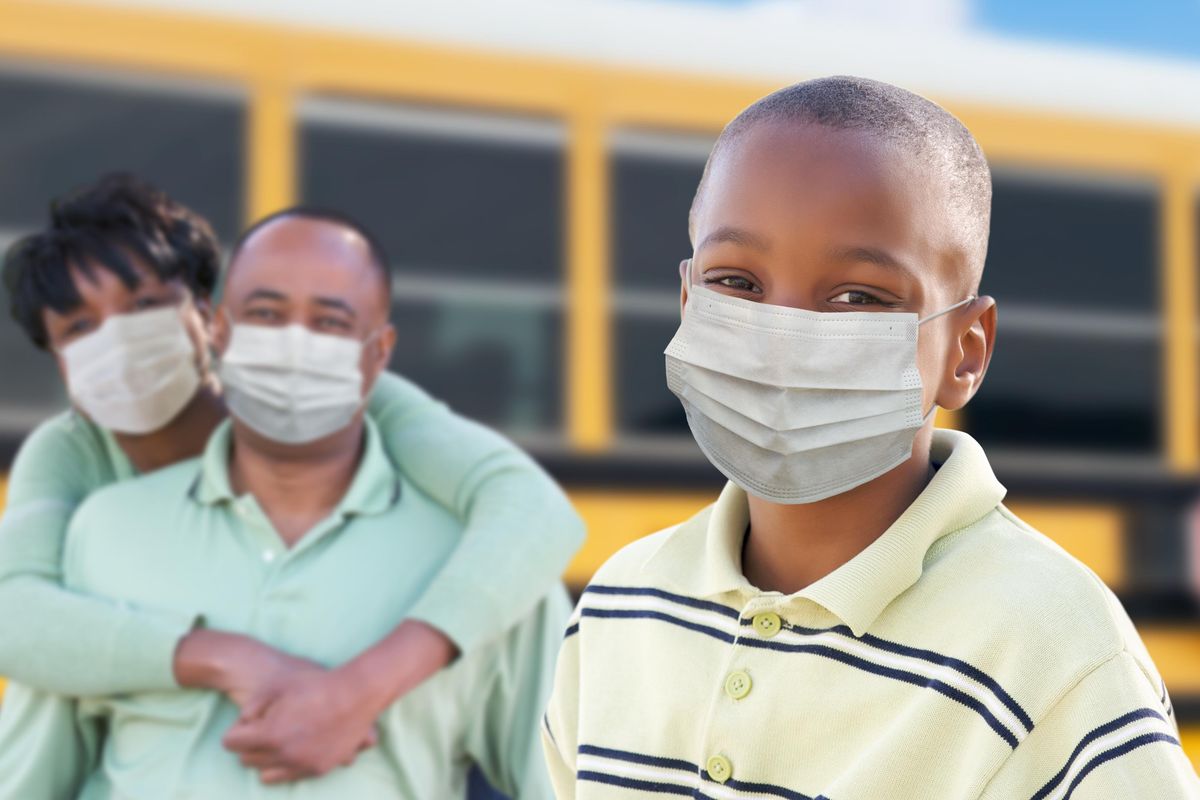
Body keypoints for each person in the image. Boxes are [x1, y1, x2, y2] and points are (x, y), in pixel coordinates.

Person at [542, 76, 1200, 799]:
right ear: (687, 300)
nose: (783, 338)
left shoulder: (1057, 651)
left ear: (966, 351)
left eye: (859, 297)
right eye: (736, 282)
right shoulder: (619, 604)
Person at [0, 175, 583, 796]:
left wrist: (358, 691)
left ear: (205, 314)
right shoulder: (81, 483)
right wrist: (221, 656)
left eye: (144, 305)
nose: (117, 344)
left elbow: (532, 509)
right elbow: (19, 620)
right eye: (78, 327)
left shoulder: (357, 404)